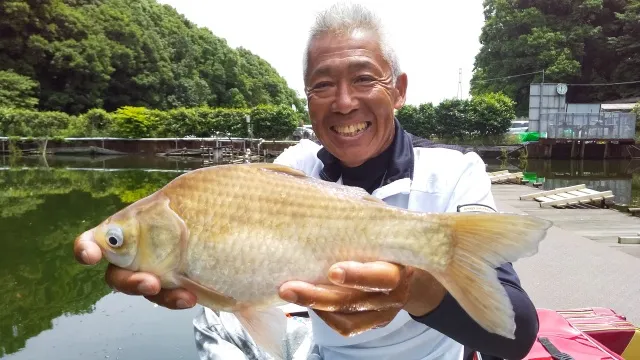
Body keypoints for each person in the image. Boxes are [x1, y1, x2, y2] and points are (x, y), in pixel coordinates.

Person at [74, 3, 539, 359]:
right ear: (307, 97)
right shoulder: (294, 167)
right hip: (324, 352)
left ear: (398, 90)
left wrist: (415, 289)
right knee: (214, 319)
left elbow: (516, 336)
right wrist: (194, 277)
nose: (343, 102)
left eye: (363, 79)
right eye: (322, 86)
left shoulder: (456, 170)